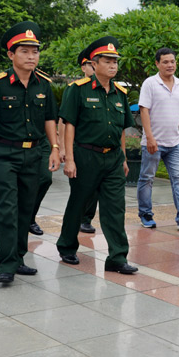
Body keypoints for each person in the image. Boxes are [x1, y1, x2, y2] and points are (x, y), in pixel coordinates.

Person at [0, 21, 60, 283]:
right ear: (11, 54)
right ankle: (6, 264)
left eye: (35, 51)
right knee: (6, 208)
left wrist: (55, 148)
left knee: (26, 209)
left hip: (34, 154)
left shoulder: (44, 85)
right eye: (24, 51)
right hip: (4, 153)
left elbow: (50, 119)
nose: (31, 56)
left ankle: (19, 258)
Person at [57, 37, 137, 275]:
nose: (113, 65)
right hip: (85, 156)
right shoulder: (78, 90)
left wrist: (123, 158)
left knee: (116, 207)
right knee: (79, 203)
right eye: (108, 61)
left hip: (112, 159)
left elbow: (122, 130)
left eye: (115, 61)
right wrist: (69, 158)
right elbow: (69, 124)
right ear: (95, 63)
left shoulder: (120, 93)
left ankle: (117, 257)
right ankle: (67, 246)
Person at [136, 47, 179, 230]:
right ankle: (146, 215)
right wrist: (150, 137)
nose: (170, 65)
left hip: (175, 142)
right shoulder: (150, 83)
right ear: (157, 64)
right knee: (147, 178)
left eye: (172, 61)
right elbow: (144, 110)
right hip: (153, 143)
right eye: (165, 62)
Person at [54, 47, 101, 234]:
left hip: (99, 150)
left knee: (96, 187)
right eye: (90, 64)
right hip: (79, 146)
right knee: (81, 188)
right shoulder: (76, 89)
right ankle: (76, 221)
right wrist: (63, 147)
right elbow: (64, 121)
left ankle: (86, 219)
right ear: (84, 67)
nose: (93, 68)